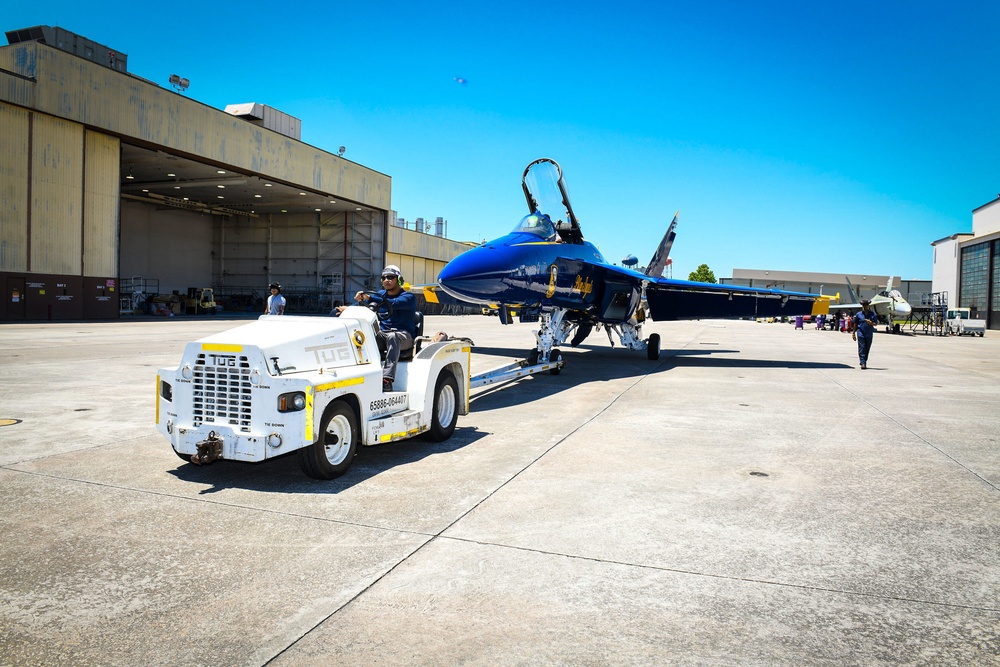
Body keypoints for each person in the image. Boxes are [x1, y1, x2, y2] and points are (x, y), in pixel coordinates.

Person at [336, 265, 416, 392]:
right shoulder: (380, 295)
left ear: (399, 280)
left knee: (392, 336)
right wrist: (349, 308)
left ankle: (387, 379)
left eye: (390, 277)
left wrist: (369, 297)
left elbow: (393, 303)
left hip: (403, 335)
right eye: (384, 278)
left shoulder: (408, 297)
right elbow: (366, 306)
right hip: (383, 334)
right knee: (360, 336)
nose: (386, 280)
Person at [852, 299, 878, 369]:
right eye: (864, 305)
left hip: (869, 334)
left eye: (866, 305)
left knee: (867, 348)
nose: (865, 306)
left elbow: (875, 323)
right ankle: (863, 362)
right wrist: (853, 333)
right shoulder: (858, 314)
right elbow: (855, 323)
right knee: (862, 347)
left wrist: (871, 323)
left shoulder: (872, 314)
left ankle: (864, 360)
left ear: (868, 306)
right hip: (861, 333)